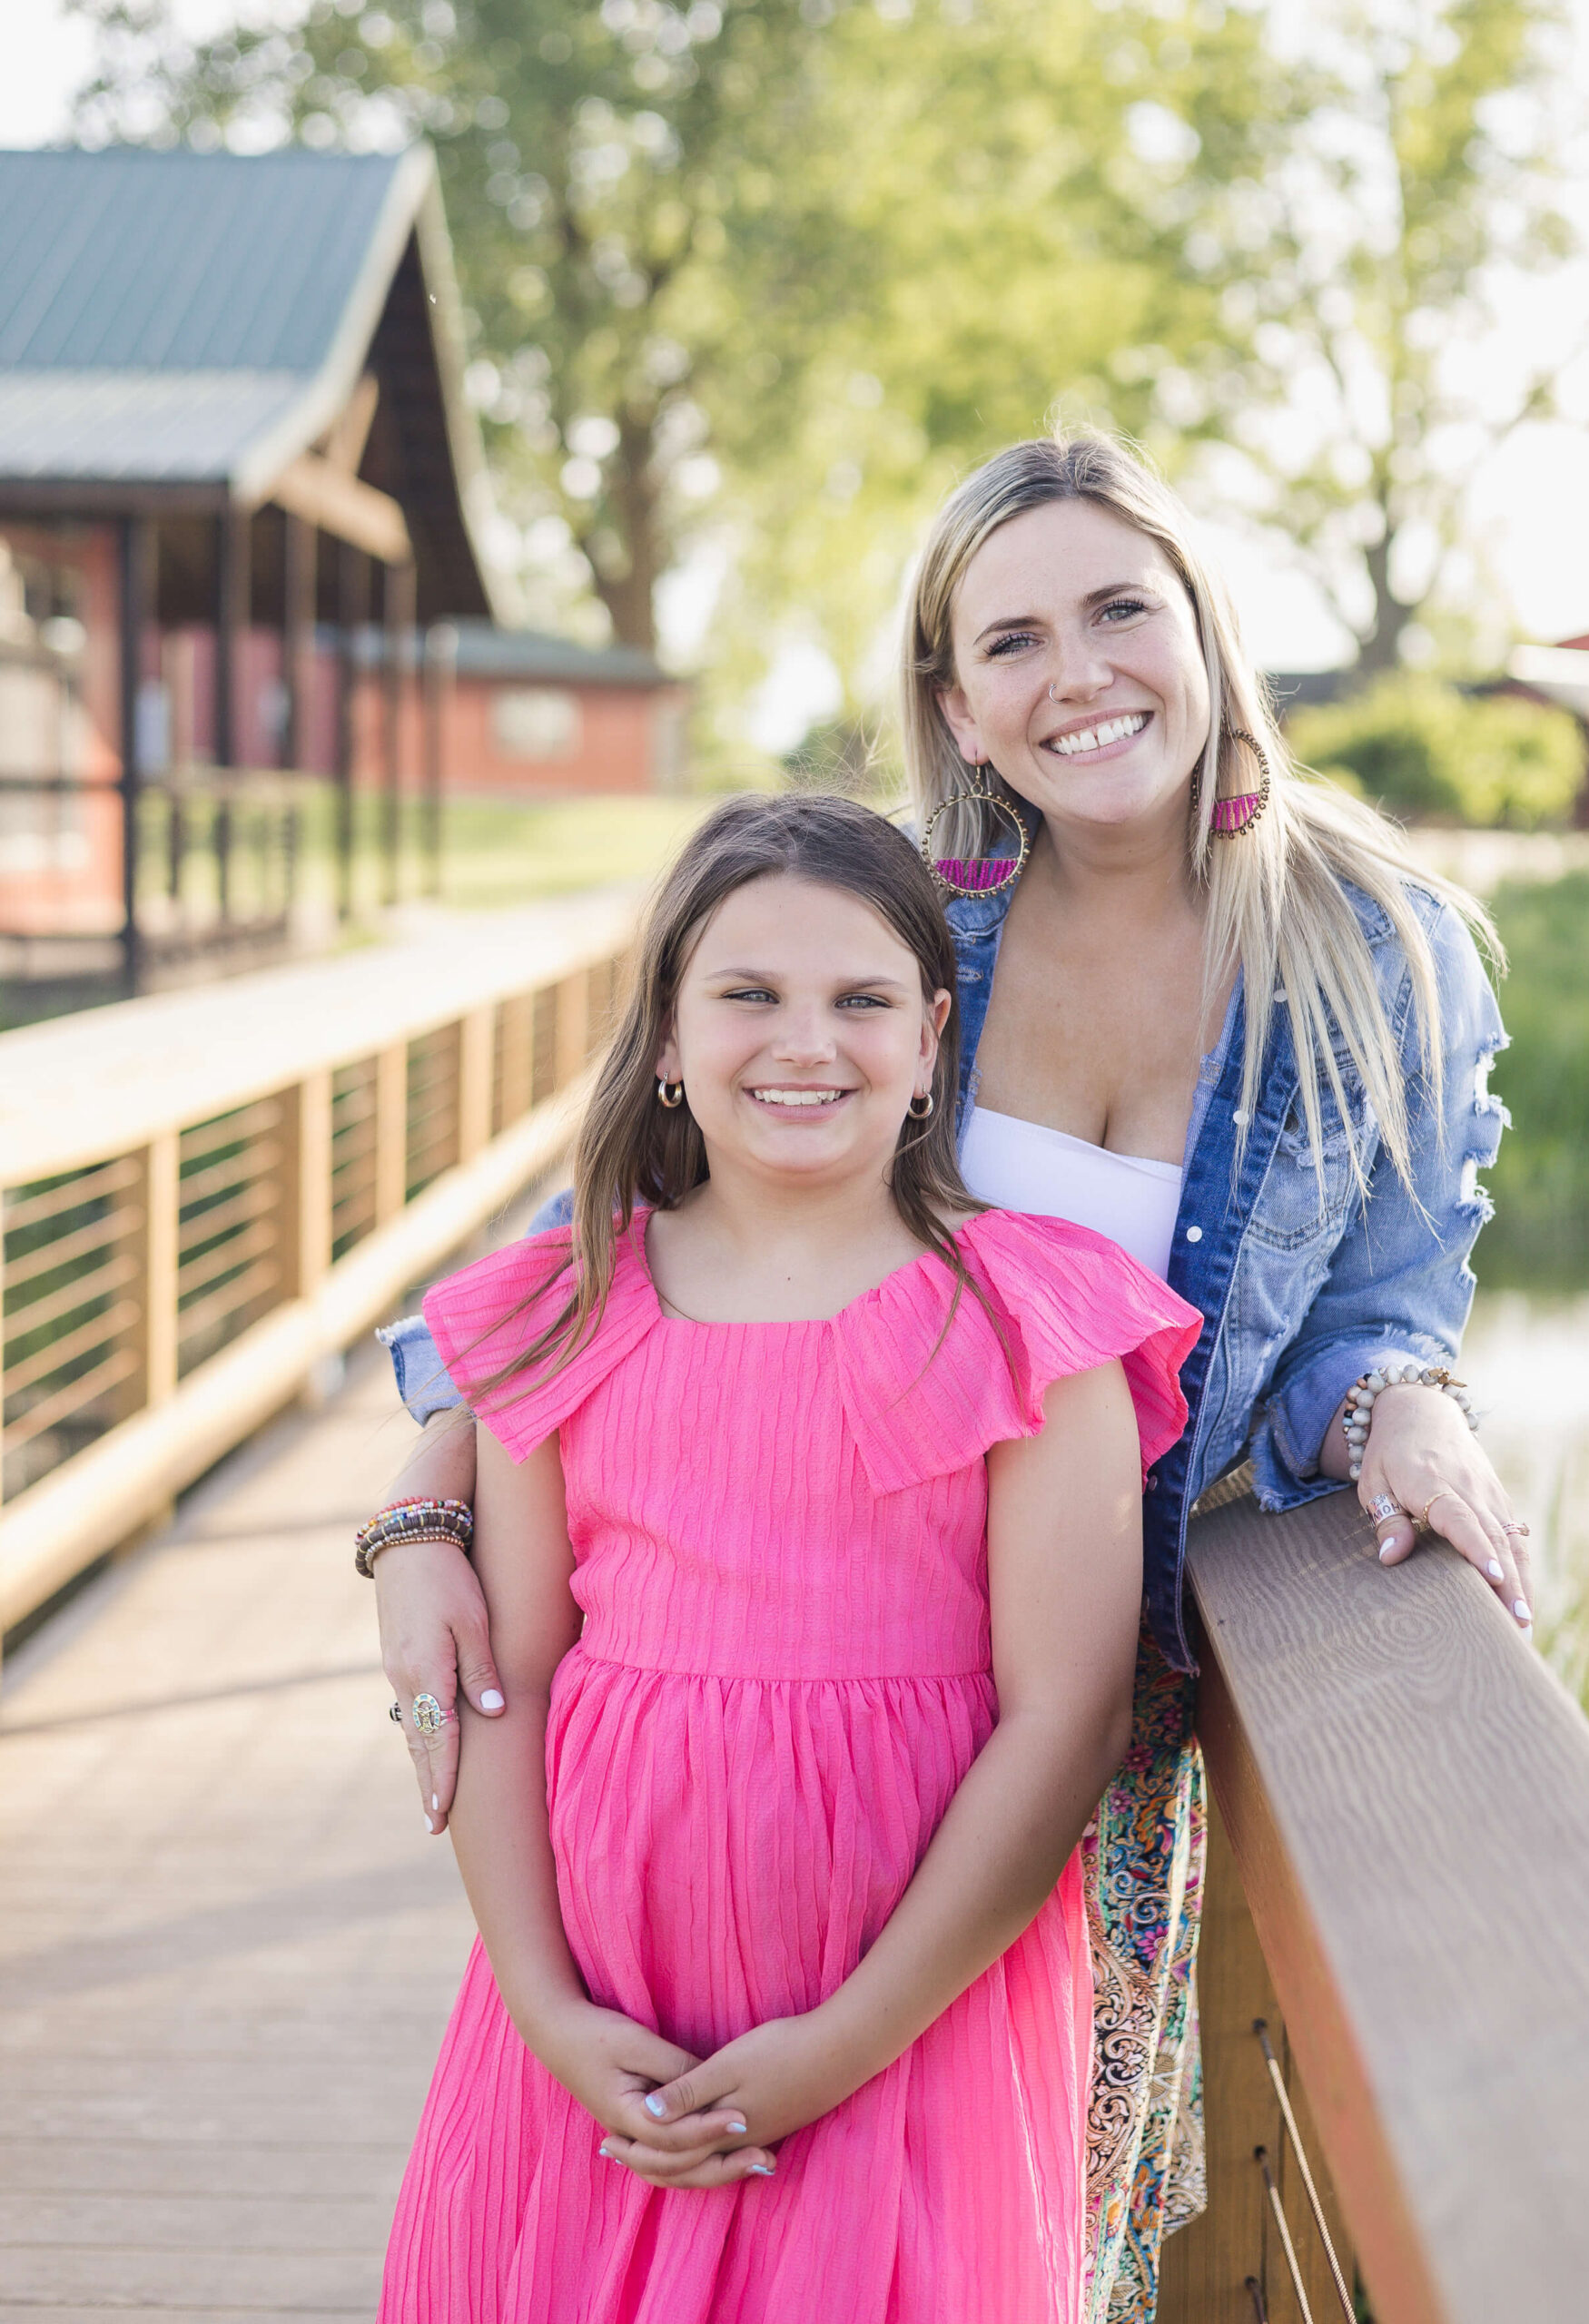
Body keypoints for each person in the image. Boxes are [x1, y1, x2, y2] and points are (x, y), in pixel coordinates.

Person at [370, 431, 1527, 2323]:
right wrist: (425, 1508)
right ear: (955, 699)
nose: (1079, 673)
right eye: (1015, 639)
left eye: (1118, 611)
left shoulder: (1374, 951)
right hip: (778, 1677)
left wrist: (1394, 1400)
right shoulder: (912, 928)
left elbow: (1377, 1304)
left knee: (985, 2225)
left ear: (1208, 632)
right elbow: (606, 1233)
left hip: (1080, 1691)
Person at [374, 794, 1202, 2320]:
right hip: (598, 2009)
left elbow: (1065, 1715)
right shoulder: (560, 1309)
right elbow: (514, 1679)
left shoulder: (1032, 1323)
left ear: (935, 1036)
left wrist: (843, 2042)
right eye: (748, 995)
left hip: (902, 2016)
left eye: (861, 1000)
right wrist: (548, 2010)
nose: (804, 1042)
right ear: (670, 1041)